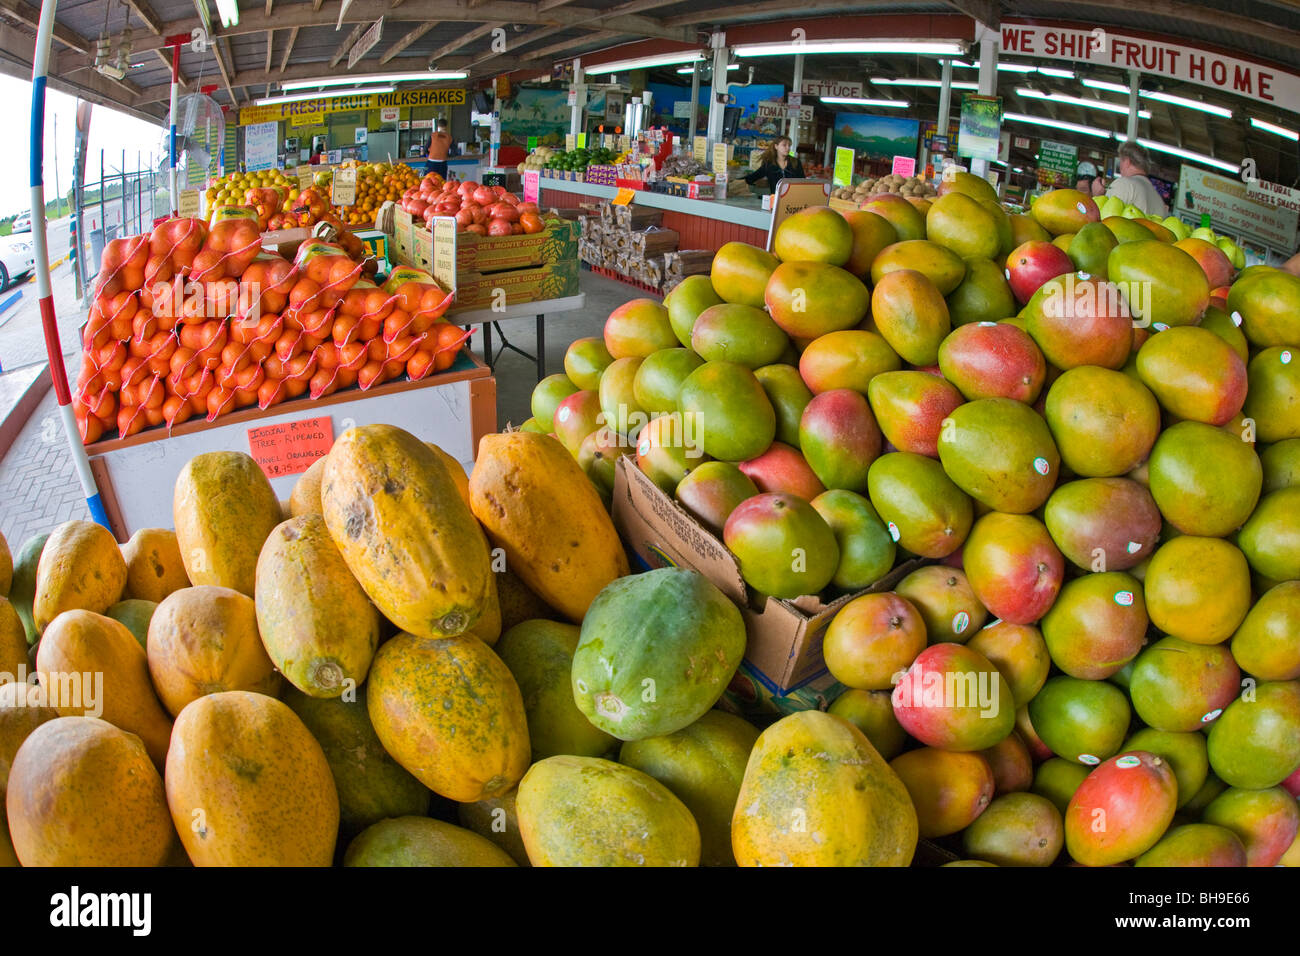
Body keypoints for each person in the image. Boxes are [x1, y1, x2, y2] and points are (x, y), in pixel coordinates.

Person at [1106, 141, 1168, 216]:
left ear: (1127, 162)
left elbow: (1102, 220)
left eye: (1120, 161)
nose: (1120, 167)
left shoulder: (1124, 184)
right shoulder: (1159, 200)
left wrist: (1097, 194)